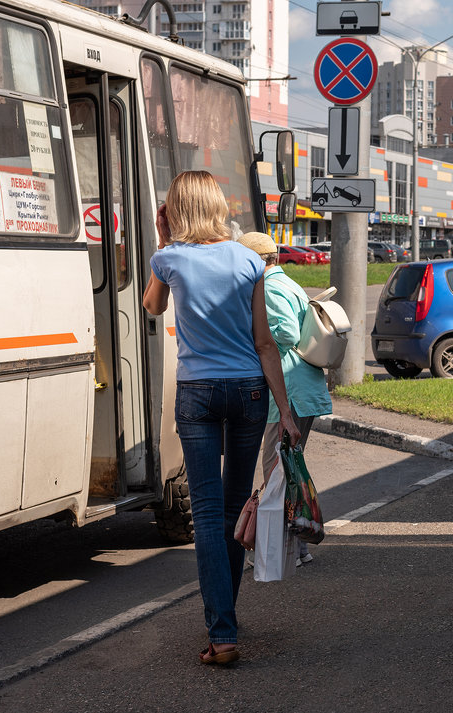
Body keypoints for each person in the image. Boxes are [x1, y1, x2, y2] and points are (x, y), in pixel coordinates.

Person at [142, 171, 300, 667]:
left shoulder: (169, 259)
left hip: (198, 395)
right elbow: (264, 342)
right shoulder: (249, 259)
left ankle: (223, 631)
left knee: (208, 515)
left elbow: (152, 306)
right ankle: (225, 617)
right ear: (216, 206)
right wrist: (287, 411)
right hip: (250, 392)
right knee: (232, 509)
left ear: (175, 209)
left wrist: (164, 240)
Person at [237, 231, 333, 567]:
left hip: (289, 390)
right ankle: (297, 544)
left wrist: (255, 336)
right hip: (299, 388)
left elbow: (287, 333)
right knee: (286, 470)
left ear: (254, 261)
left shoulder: (272, 287)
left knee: (275, 468)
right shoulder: (287, 282)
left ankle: (273, 549)